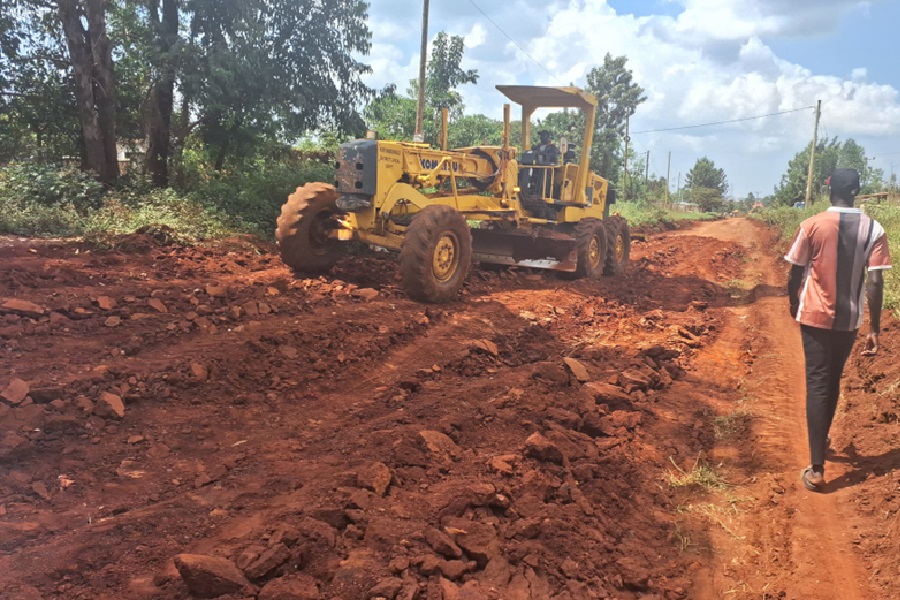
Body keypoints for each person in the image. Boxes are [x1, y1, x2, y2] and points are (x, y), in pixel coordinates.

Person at [784, 168, 891, 491]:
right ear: (857, 191)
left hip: (814, 317)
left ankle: (817, 468)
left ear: (830, 191)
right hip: (849, 321)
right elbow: (875, 281)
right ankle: (823, 440)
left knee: (817, 382)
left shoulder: (812, 225)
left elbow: (795, 272)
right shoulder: (874, 229)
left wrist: (793, 302)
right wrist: (874, 327)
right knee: (832, 380)